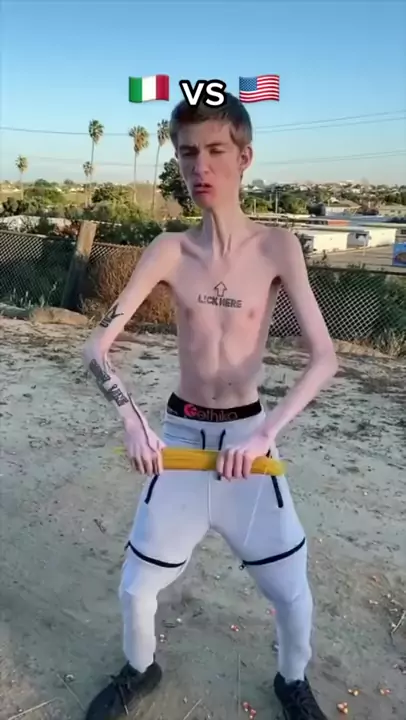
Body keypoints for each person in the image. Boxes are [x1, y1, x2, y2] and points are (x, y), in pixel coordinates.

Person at [82, 92, 338, 720]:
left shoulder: (278, 247)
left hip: (250, 447)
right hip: (181, 441)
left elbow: (325, 359)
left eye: (216, 150)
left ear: (244, 157)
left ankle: (292, 682)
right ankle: (140, 669)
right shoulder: (168, 249)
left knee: (292, 593)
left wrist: (267, 433)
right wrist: (132, 418)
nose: (200, 167)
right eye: (188, 152)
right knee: (136, 589)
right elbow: (96, 348)